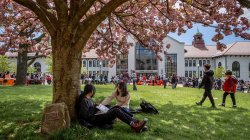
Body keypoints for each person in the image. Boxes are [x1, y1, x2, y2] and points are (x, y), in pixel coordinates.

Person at [76, 84, 147, 133]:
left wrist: (97, 107)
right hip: (95, 119)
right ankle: (134, 125)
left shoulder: (89, 99)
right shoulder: (84, 101)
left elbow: (91, 108)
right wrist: (96, 110)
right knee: (116, 110)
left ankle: (135, 122)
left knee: (116, 107)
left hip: (98, 115)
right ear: (91, 92)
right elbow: (85, 115)